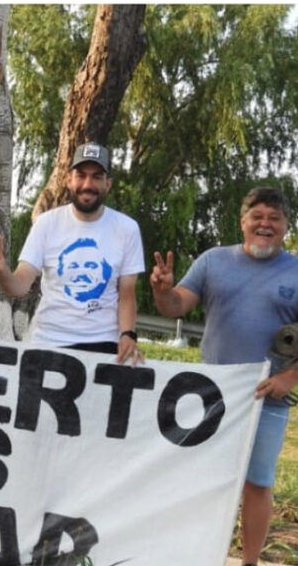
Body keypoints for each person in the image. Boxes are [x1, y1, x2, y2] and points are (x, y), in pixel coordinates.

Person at [150, 187, 298, 566]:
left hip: (268, 397)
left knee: (257, 483)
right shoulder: (213, 261)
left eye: (274, 217)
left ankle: (248, 561)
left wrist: (289, 379)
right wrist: (162, 291)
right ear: (242, 221)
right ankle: (190, 554)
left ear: (285, 226)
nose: (265, 224)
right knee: (198, 477)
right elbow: (175, 306)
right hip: (210, 395)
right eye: (257, 216)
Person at [0, 142, 144, 364]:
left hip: (104, 343)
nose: (88, 184)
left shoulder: (127, 228)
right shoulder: (46, 223)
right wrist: (1, 273)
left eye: (97, 177)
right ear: (69, 180)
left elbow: (127, 293)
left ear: (108, 184)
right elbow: (19, 286)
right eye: (81, 175)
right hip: (49, 341)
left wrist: (128, 335)